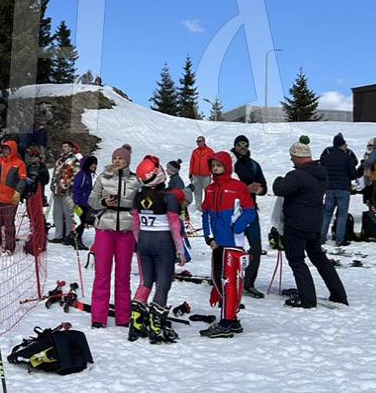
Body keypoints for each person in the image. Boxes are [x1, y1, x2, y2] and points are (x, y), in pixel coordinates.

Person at [273, 136, 348, 309]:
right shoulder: (321, 173)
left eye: (292, 157)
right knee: (319, 258)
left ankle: (307, 299)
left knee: (296, 259)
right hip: (315, 223)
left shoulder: (297, 175)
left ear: (299, 157)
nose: (291, 159)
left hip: (297, 224)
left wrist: (278, 178)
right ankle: (338, 294)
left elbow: (280, 188)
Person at [199, 151, 256, 338]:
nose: (216, 168)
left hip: (233, 243)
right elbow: (205, 213)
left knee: (228, 281)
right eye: (213, 165)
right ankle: (232, 319)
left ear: (227, 166)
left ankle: (226, 322)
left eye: (219, 165)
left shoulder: (237, 186)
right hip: (217, 243)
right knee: (217, 279)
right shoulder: (210, 188)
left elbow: (250, 211)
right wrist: (208, 237)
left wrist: (237, 228)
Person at [129, 156, 186, 342]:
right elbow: (175, 226)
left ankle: (136, 323)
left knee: (145, 281)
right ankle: (156, 327)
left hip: (144, 241)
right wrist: (181, 250)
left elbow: (135, 224)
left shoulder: (138, 195)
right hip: (163, 243)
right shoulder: (169, 196)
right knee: (163, 283)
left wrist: (139, 245)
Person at [88, 145, 139, 329]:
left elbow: (141, 204)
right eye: (114, 157)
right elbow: (91, 201)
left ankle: (123, 316)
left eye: (120, 158)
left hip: (126, 230)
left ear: (127, 161)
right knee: (101, 274)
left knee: (123, 275)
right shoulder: (103, 178)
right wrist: (103, 202)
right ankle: (98, 317)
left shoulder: (135, 180)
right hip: (104, 229)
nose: (117, 161)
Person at [231, 135, 268, 299]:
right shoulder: (230, 163)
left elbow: (264, 186)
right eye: (239, 144)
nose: (243, 147)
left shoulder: (254, 165)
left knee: (256, 248)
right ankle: (225, 277)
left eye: (245, 144)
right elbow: (225, 186)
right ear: (235, 146)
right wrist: (246, 188)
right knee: (229, 247)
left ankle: (248, 283)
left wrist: (259, 190)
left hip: (250, 210)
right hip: (232, 212)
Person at [320, 133, 360, 246]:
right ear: (341, 145)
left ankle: (321, 238)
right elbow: (353, 174)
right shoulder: (347, 157)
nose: (346, 146)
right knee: (342, 215)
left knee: (327, 214)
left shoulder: (326, 157)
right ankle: (339, 240)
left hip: (329, 188)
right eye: (345, 144)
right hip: (343, 189)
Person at [50, 141, 80, 242]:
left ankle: (69, 235)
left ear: (71, 148)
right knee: (57, 213)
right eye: (63, 146)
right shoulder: (59, 160)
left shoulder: (74, 160)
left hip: (67, 191)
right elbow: (55, 173)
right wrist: (53, 184)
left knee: (68, 214)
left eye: (66, 146)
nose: (64, 148)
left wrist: (70, 187)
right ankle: (58, 235)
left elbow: (76, 175)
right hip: (57, 190)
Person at [71, 155, 97, 250]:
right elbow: (77, 188)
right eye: (92, 166)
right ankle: (77, 239)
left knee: (83, 220)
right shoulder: (82, 174)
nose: (93, 168)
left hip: (86, 202)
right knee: (81, 221)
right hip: (80, 203)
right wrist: (76, 201)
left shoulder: (88, 174)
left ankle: (74, 237)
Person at [189, 136, 215, 211]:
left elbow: (213, 163)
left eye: (200, 141)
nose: (198, 143)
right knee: (197, 192)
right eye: (197, 141)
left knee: (207, 191)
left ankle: (208, 206)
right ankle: (198, 207)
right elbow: (192, 163)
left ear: (204, 141)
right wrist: (190, 174)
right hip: (196, 175)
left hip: (206, 175)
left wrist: (214, 174)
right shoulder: (195, 151)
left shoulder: (210, 151)